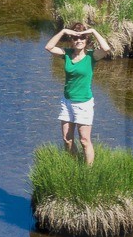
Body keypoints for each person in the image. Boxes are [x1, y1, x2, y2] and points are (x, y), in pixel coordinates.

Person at [44, 22, 111, 164]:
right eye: (75, 38)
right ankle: (75, 165)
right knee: (67, 140)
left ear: (86, 40)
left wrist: (93, 30)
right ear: (71, 40)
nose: (79, 41)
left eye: (82, 38)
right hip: (67, 102)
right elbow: (48, 47)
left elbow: (106, 48)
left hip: (83, 104)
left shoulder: (92, 56)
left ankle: (88, 172)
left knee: (85, 140)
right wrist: (63, 31)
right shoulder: (66, 54)